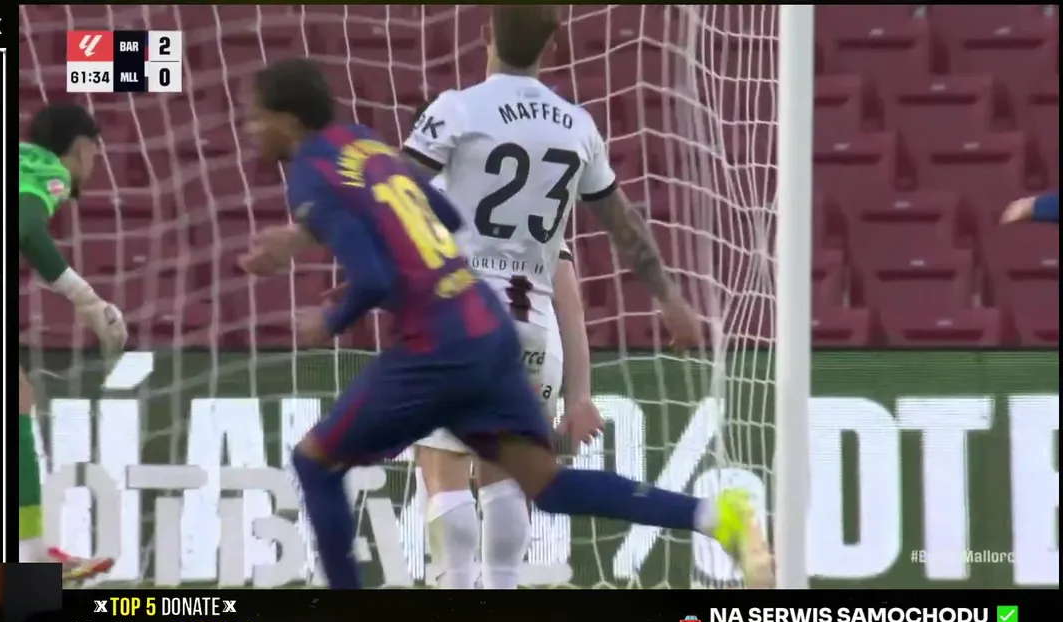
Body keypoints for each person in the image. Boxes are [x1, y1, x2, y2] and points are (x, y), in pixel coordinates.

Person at [237, 55, 773, 590]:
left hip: (436, 344)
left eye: (257, 117)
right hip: (487, 327)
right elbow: (446, 215)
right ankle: (715, 515)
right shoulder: (364, 144)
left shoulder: (310, 174)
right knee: (549, 486)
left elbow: (374, 279)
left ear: (289, 120)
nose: (251, 129)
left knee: (315, 463)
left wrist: (329, 320)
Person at [401, 6, 695, 589]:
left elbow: (390, 189)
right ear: (553, 47)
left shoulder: (458, 109)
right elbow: (623, 227)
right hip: (534, 330)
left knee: (444, 467)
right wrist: (668, 296)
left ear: (485, 36)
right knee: (508, 475)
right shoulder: (577, 127)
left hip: (460, 319)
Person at [18, 102, 125, 580]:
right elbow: (24, 228)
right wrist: (87, 300)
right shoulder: (49, 171)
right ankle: (29, 553)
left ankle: (31, 549)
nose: (94, 164)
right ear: (82, 148)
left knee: (17, 401)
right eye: (96, 152)